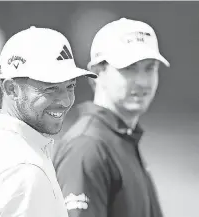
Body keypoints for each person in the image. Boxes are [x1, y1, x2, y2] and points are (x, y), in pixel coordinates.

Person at [0, 26, 97, 217]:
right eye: (50, 89)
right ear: (11, 89)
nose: (65, 101)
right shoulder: (26, 170)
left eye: (70, 86)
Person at [53, 18, 170, 217]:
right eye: (129, 68)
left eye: (149, 68)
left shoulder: (122, 139)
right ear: (97, 73)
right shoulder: (87, 148)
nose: (142, 81)